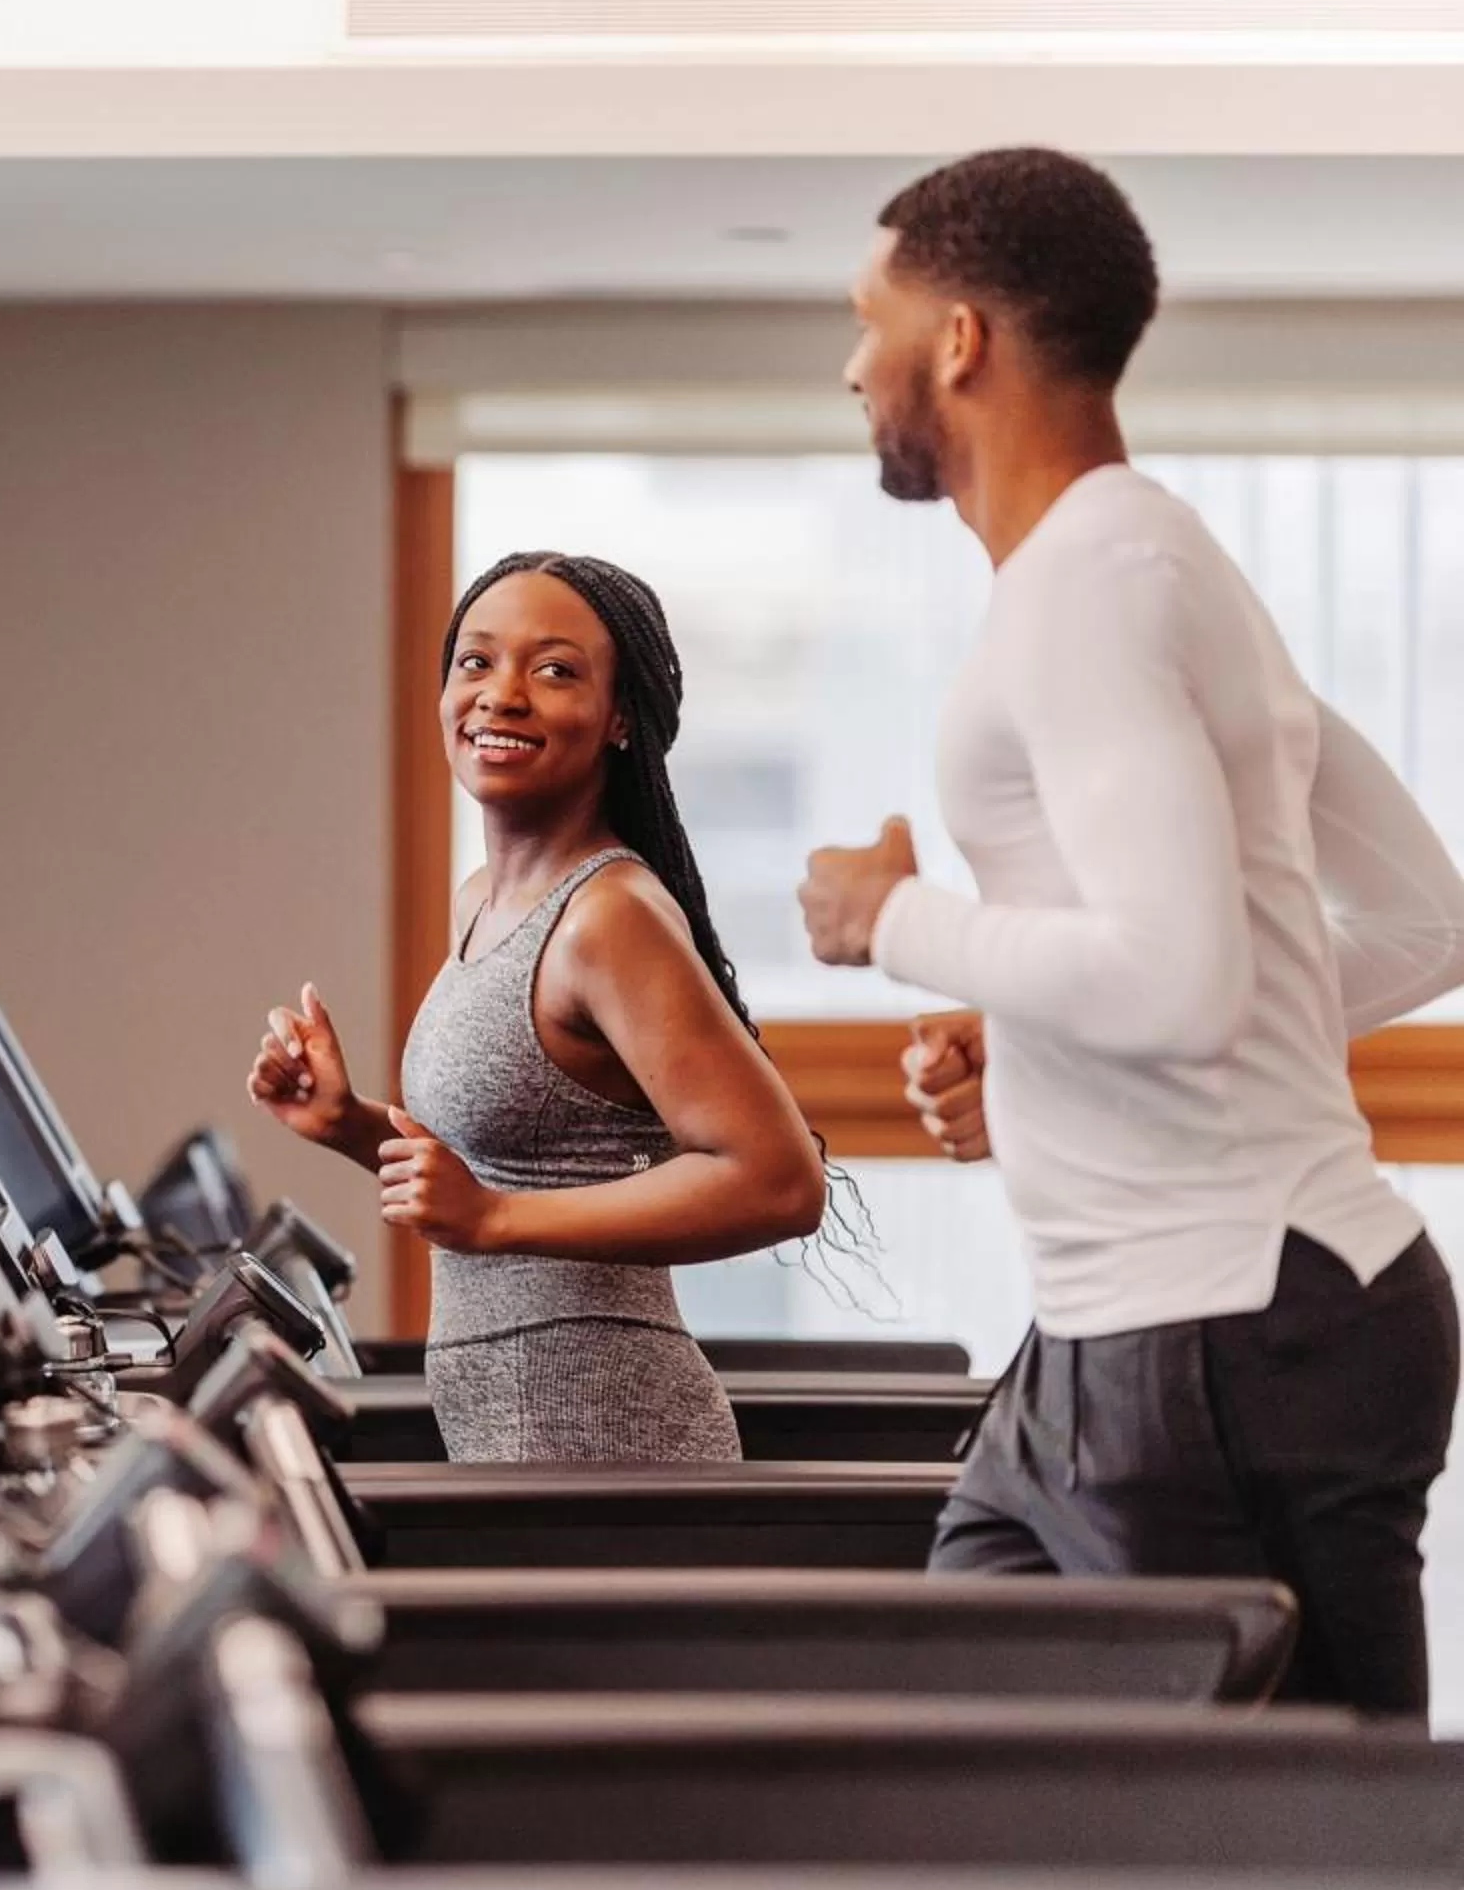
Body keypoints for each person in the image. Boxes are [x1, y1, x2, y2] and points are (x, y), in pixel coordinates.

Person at [799, 146, 1464, 1717]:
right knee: (992, 1767)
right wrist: (1032, 1023)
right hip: (1146, 1330)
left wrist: (894, 920)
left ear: (958, 339)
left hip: (1224, 1331)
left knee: (1270, 1848)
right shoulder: (1157, 565)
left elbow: (1177, 977)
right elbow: (1426, 923)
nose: (851, 365)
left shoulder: (1095, 582)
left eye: (866, 318)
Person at [250, 551, 829, 1463]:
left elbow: (779, 1179)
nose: (501, 695)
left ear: (621, 719)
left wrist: (494, 1219)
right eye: (475, 662)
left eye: (554, 670)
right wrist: (351, 1125)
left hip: (607, 1440)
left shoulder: (610, 917)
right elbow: (507, 1164)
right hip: (514, 1436)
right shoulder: (484, 898)